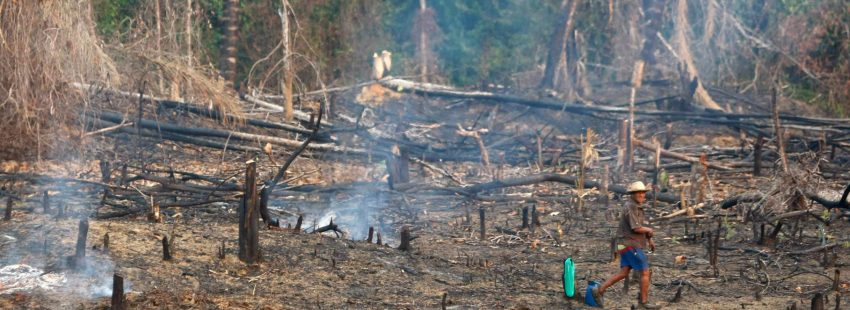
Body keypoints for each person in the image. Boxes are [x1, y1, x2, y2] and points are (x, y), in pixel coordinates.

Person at [592, 181, 661, 309]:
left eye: (642, 193)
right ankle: (643, 303)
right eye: (638, 193)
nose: (641, 195)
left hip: (624, 244)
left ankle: (599, 290)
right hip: (629, 244)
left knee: (624, 272)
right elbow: (636, 228)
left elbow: (641, 227)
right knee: (645, 272)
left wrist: (649, 239)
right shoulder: (631, 207)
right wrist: (650, 231)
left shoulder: (637, 207)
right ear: (632, 195)